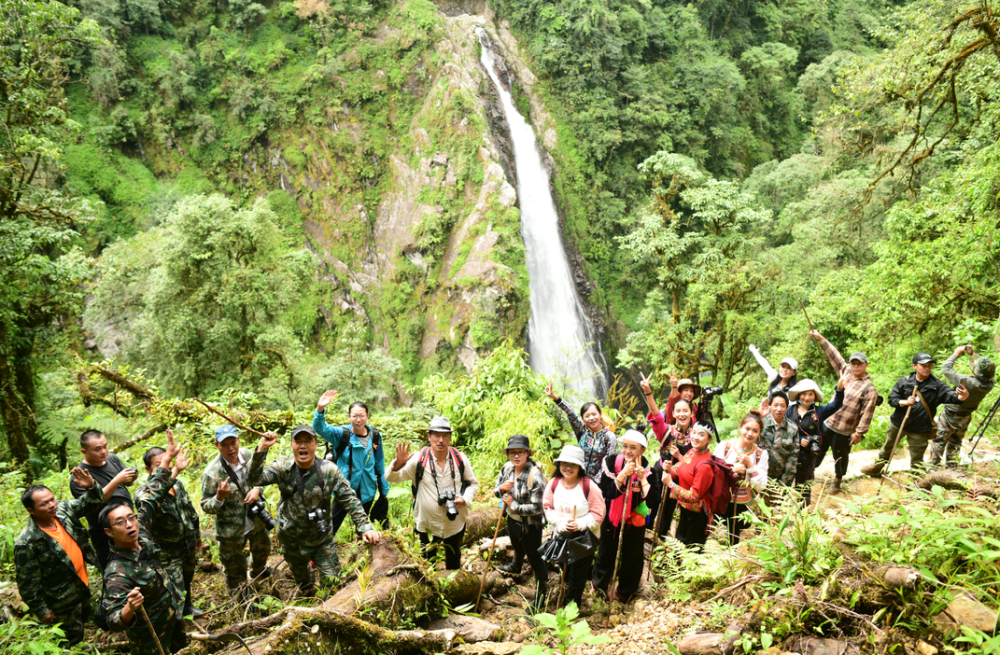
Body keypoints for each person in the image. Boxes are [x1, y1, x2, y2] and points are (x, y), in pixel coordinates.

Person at [248, 425, 380, 595]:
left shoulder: (329, 470)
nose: (303, 445)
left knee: (332, 584)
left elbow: (349, 499)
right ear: (292, 445)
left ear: (316, 444)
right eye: (298, 441)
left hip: (321, 539)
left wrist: (364, 526)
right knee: (304, 583)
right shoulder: (282, 468)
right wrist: (262, 448)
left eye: (308, 441)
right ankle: (308, 595)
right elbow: (253, 477)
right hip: (291, 539)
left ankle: (328, 609)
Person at [100, 439, 188, 654]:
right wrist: (129, 608)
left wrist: (167, 459)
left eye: (131, 518)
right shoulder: (117, 572)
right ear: (109, 532)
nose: (129, 525)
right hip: (150, 638)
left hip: (173, 619)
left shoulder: (142, 532)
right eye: (120, 522)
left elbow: (151, 494)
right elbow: (112, 620)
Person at [15, 467, 105, 646]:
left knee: (83, 623)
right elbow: (27, 584)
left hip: (81, 585)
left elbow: (94, 502)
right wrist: (41, 610)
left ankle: (83, 646)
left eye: (52, 499)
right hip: (61, 599)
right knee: (68, 638)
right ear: (31, 510)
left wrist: (91, 486)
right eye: (44, 504)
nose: (52, 505)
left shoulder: (63, 511)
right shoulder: (27, 542)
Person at [387, 417, 479, 570]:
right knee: (428, 561)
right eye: (436, 435)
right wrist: (398, 463)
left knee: (454, 557)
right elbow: (391, 477)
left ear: (450, 437)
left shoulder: (460, 459)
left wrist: (464, 499)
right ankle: (431, 590)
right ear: (429, 437)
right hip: (427, 523)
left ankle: (453, 588)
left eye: (445, 436)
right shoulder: (419, 459)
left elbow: (472, 484)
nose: (440, 440)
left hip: (454, 522)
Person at [862, 354, 969, 476]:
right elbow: (892, 399)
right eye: (923, 365)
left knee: (917, 459)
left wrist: (961, 397)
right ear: (914, 366)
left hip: (920, 428)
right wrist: (904, 402)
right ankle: (878, 467)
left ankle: (917, 483)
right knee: (888, 446)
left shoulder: (937, 385)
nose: (927, 368)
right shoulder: (904, 382)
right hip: (898, 423)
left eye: (929, 366)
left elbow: (951, 396)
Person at [135, 433, 203, 617]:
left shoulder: (178, 485)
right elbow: (152, 497)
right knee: (174, 588)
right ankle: (176, 620)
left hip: (186, 545)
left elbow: (189, 510)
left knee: (187, 579)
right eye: (160, 464)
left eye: (169, 461)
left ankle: (188, 607)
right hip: (167, 553)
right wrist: (173, 472)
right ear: (148, 469)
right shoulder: (143, 493)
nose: (168, 465)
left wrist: (196, 534)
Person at [200, 425, 272, 595]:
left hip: (255, 519)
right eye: (225, 444)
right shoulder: (212, 473)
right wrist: (219, 497)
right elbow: (205, 505)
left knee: (263, 549)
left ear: (238, 440)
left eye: (233, 442)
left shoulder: (248, 456)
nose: (230, 448)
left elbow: (260, 476)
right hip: (230, 529)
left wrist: (257, 489)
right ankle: (239, 599)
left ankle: (258, 572)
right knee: (234, 566)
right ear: (217, 445)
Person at [809, 331, 879, 494]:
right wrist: (821, 339)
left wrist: (859, 433)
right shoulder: (846, 372)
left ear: (865, 365)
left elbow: (867, 414)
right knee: (817, 449)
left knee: (840, 456)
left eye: (859, 363)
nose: (855, 366)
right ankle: (809, 473)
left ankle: (838, 479)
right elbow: (835, 356)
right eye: (853, 363)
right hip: (827, 423)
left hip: (844, 430)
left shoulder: (869, 389)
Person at [313, 391, 390, 532]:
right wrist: (320, 409)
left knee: (363, 528)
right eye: (354, 416)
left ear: (367, 416)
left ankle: (359, 549)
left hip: (368, 490)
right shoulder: (341, 435)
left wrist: (383, 490)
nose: (358, 419)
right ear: (349, 417)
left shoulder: (376, 437)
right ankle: (322, 550)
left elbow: (379, 463)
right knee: (331, 527)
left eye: (362, 415)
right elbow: (320, 428)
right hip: (344, 489)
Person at [542, 445, 605, 609]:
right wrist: (561, 522)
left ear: (580, 467)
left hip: (585, 537)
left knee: (578, 574)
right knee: (565, 569)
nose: (567, 468)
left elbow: (599, 514)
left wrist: (580, 523)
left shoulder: (589, 486)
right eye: (564, 464)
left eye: (573, 465)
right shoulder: (554, 483)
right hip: (562, 534)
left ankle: (572, 608)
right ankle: (561, 598)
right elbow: (547, 507)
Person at [592, 430, 652, 602]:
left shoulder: (646, 467)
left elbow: (652, 496)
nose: (627, 451)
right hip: (612, 513)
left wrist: (642, 478)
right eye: (625, 446)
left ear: (642, 450)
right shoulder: (610, 463)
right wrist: (623, 475)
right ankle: (599, 587)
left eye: (633, 448)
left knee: (633, 554)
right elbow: (606, 491)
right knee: (606, 549)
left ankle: (626, 592)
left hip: (635, 515)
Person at [70, 429, 138, 571]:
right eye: (97, 449)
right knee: (113, 569)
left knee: (138, 563)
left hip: (128, 523)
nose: (104, 451)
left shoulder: (112, 459)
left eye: (105, 446)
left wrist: (131, 478)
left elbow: (127, 483)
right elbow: (91, 504)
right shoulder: (81, 475)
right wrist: (117, 480)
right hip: (104, 532)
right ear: (84, 451)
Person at [493, 435, 548, 612]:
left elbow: (538, 508)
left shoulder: (535, 476)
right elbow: (496, 489)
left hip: (531, 524)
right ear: (508, 454)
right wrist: (502, 489)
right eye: (512, 453)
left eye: (520, 452)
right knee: (516, 544)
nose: (516, 456)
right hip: (513, 519)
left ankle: (539, 599)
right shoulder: (507, 468)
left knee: (535, 560)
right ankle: (516, 566)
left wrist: (513, 505)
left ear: (527, 453)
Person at [929, 346, 996, 467]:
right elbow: (986, 369)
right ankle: (952, 468)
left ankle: (931, 468)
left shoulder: (966, 381)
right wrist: (973, 355)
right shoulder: (990, 384)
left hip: (950, 415)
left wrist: (956, 354)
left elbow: (946, 369)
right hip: (965, 417)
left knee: (939, 441)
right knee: (956, 442)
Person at [786, 376, 847, 505]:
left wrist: (840, 389)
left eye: (810, 394)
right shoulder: (789, 411)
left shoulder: (819, 411)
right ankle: (777, 516)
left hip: (807, 458)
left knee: (803, 489)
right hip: (788, 455)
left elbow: (836, 405)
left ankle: (802, 517)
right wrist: (798, 440)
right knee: (781, 487)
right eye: (803, 394)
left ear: (815, 396)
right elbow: (781, 430)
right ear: (798, 395)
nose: (807, 397)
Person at [714, 411, 768, 545]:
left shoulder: (761, 454)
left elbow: (761, 486)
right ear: (740, 427)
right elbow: (712, 474)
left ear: (759, 433)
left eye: (755, 431)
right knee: (718, 533)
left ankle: (732, 559)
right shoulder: (725, 447)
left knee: (735, 533)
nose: (750, 434)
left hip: (744, 502)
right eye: (747, 429)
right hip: (723, 499)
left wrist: (750, 466)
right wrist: (732, 470)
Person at [545, 381, 617, 481]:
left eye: (594, 414)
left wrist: (595, 482)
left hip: (599, 483)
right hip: (577, 478)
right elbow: (571, 412)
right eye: (587, 416)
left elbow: (609, 461)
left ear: (600, 415)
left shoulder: (609, 436)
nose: (591, 418)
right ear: (583, 419)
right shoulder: (581, 430)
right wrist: (555, 397)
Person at [645, 394, 694, 539]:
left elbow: (695, 463)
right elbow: (656, 415)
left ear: (691, 412)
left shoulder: (695, 437)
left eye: (685, 410)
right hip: (660, 473)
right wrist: (648, 392)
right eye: (678, 411)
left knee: (668, 509)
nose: (681, 414)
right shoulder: (667, 431)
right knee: (652, 504)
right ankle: (645, 534)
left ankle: (659, 538)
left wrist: (679, 458)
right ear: (672, 414)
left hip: (677, 478)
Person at [663, 421, 717, 549]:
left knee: (692, 549)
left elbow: (694, 495)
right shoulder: (692, 452)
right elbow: (679, 468)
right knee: (681, 544)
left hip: (697, 514)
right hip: (684, 508)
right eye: (694, 432)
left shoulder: (705, 466)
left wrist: (671, 484)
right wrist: (669, 468)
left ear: (709, 439)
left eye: (701, 435)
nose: (695, 437)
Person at [759, 390, 798, 487]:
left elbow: (792, 458)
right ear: (770, 407)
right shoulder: (760, 424)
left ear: (787, 408)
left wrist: (784, 485)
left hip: (779, 480)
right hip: (759, 476)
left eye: (782, 406)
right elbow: (749, 445)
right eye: (775, 405)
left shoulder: (792, 429)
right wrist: (759, 417)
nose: (779, 409)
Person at [747, 345, 798, 413]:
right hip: (767, 414)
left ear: (794, 373)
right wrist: (755, 351)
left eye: (789, 368)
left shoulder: (794, 390)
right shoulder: (775, 377)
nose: (785, 370)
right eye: (783, 366)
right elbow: (765, 364)